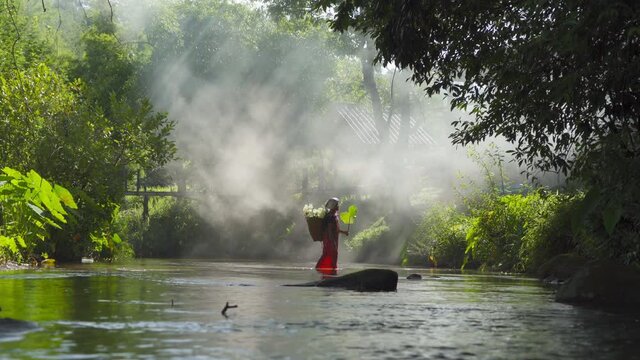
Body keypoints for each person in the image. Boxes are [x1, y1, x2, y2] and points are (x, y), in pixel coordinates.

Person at [315, 197, 349, 276]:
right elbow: (330, 230)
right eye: (337, 205)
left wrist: (344, 232)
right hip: (330, 239)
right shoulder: (330, 216)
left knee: (330, 254)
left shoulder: (334, 215)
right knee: (330, 254)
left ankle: (329, 270)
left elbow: (336, 229)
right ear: (333, 206)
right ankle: (329, 270)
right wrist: (332, 241)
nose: (338, 206)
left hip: (333, 239)